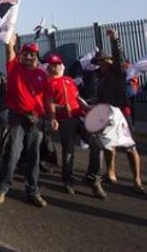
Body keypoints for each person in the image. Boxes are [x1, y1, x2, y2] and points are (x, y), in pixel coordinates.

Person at [0, 35, 51, 208]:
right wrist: (10, 44)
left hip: (36, 120)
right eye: (25, 53)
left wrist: (51, 117)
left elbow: (47, 98)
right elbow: (10, 53)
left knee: (34, 157)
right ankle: (2, 188)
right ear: (21, 55)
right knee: (12, 154)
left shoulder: (42, 74)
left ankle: (33, 191)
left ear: (36, 56)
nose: (28, 56)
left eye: (32, 54)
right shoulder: (14, 69)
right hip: (17, 118)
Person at [91, 29, 145, 193]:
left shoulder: (117, 73)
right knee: (109, 144)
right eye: (99, 62)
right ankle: (110, 172)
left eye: (104, 61)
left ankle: (137, 179)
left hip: (122, 113)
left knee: (129, 146)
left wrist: (115, 40)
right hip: (106, 113)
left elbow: (118, 56)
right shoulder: (99, 78)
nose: (101, 64)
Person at [45, 54, 106, 198]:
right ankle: (68, 180)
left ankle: (93, 178)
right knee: (69, 151)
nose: (57, 66)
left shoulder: (69, 80)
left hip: (79, 118)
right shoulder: (47, 83)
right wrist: (58, 112)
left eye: (58, 64)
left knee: (97, 145)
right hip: (65, 121)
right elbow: (48, 103)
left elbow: (78, 98)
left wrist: (87, 107)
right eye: (53, 64)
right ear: (48, 67)